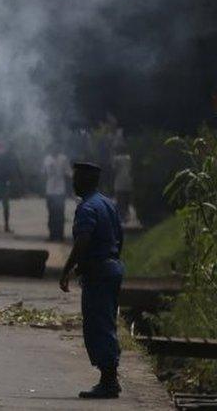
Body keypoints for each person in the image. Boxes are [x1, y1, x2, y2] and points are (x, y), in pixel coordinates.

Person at [59, 162, 125, 399]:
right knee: (106, 321)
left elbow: (83, 241)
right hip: (112, 268)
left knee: (98, 324)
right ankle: (109, 378)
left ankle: (109, 381)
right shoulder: (107, 203)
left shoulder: (87, 208)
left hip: (99, 273)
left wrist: (67, 268)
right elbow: (120, 236)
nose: (73, 182)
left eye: (76, 178)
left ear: (86, 181)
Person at [0, 139, 20, 233]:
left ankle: (1, 226)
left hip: (3, 182)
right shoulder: (0, 157)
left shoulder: (3, 157)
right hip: (0, 182)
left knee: (2, 205)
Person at [43, 145, 72, 242]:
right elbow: (44, 173)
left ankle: (60, 235)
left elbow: (69, 172)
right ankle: (52, 235)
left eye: (55, 148)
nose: (54, 150)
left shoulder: (63, 159)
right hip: (50, 190)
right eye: (52, 149)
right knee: (51, 214)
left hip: (60, 190)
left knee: (59, 214)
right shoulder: (47, 159)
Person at [111, 148, 133, 224]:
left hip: (119, 181)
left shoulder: (116, 159)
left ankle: (121, 216)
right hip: (128, 180)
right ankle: (126, 215)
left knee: (120, 200)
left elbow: (114, 169)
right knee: (126, 199)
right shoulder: (129, 158)